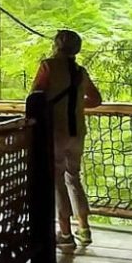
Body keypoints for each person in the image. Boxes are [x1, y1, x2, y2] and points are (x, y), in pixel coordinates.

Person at [31, 29, 102, 251]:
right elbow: (96, 99)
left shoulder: (48, 66)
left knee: (58, 181)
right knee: (74, 178)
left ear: (57, 45)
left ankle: (65, 233)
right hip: (77, 132)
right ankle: (84, 227)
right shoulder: (80, 71)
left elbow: (35, 96)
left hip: (56, 131)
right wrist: (78, 105)